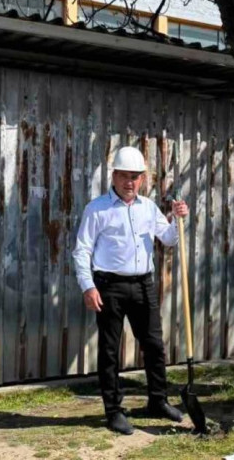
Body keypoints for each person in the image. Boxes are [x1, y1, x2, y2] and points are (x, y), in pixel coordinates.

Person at [73, 146, 188, 435]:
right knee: (110, 351)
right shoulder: (96, 208)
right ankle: (113, 411)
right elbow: (81, 251)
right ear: (114, 176)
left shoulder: (148, 208)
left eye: (136, 177)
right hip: (108, 286)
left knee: (154, 346)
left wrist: (177, 218)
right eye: (124, 176)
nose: (130, 182)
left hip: (143, 285)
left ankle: (158, 402)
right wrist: (88, 286)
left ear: (142, 179)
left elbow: (170, 239)